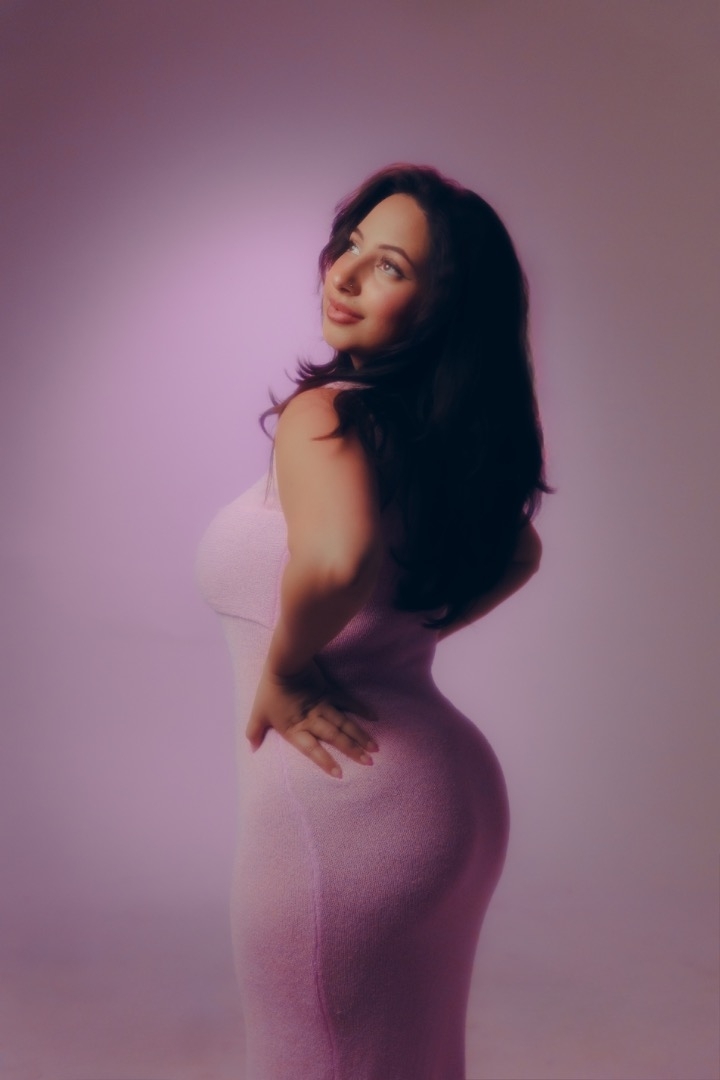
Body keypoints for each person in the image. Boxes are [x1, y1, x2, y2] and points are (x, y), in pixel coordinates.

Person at [196, 163, 550, 1080]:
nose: (344, 274)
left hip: (341, 809)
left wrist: (285, 669)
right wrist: (399, 637)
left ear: (443, 311)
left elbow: (339, 562)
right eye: (351, 244)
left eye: (389, 266)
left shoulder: (327, 415)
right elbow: (519, 553)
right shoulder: (432, 439)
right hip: (450, 801)